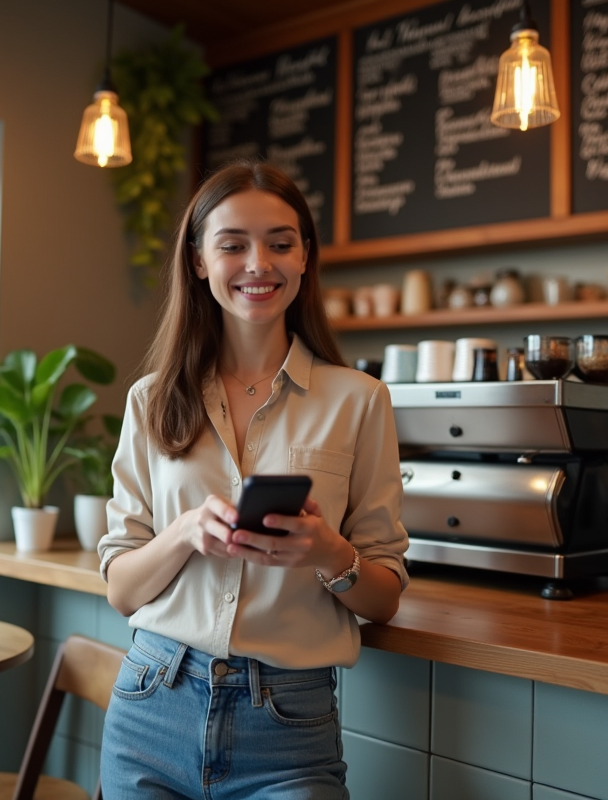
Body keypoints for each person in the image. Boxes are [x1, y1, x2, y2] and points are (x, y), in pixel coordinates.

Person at [97, 160, 409, 800]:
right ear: (199, 260)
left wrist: (328, 551)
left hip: (289, 725)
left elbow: (383, 600)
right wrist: (186, 531)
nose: (258, 263)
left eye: (280, 243)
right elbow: (122, 591)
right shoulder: (151, 400)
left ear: (305, 257)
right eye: (233, 245)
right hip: (152, 702)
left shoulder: (360, 400)